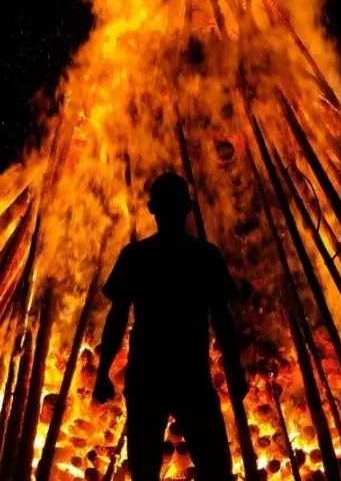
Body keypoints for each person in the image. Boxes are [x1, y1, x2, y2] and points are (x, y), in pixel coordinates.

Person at [93, 171, 248, 481]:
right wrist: (234, 370)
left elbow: (117, 318)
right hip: (189, 375)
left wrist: (104, 373)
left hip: (149, 376)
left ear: (152, 208)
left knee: (146, 467)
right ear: (188, 207)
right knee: (214, 466)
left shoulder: (137, 256)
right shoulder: (204, 256)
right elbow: (222, 318)